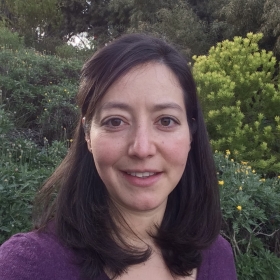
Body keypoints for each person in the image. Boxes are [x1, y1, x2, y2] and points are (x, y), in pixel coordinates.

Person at [0, 33, 237, 280]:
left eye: (166, 120)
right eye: (115, 121)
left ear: (191, 134)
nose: (142, 148)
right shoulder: (27, 267)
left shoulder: (217, 257)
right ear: (88, 135)